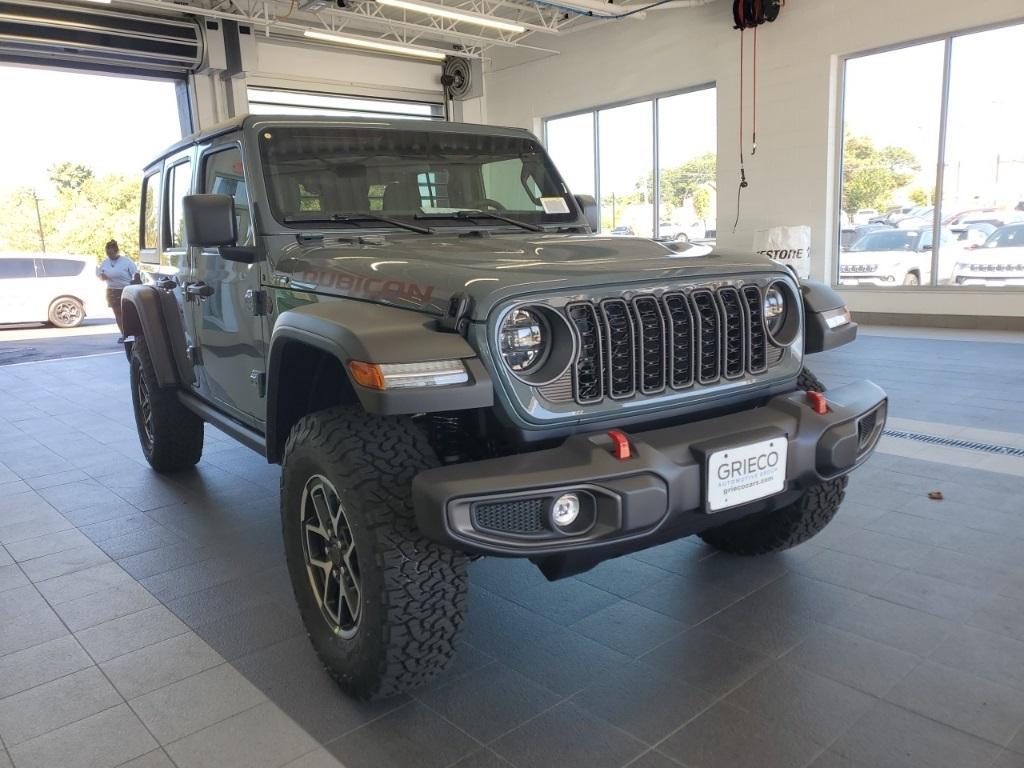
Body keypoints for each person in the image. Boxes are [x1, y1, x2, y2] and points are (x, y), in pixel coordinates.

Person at [96, 239, 138, 343]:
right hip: (112, 290)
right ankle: (124, 334)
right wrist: (102, 277)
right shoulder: (105, 262)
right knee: (118, 313)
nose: (109, 255)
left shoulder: (126, 261)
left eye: (111, 253)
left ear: (116, 251)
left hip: (125, 289)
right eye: (107, 253)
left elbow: (136, 273)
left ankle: (136, 333)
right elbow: (100, 275)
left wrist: (135, 282)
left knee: (128, 312)